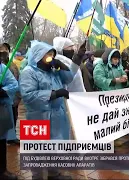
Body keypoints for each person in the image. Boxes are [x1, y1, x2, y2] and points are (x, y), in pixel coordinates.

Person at [19, 41, 78, 179]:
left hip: (56, 116)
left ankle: (54, 174)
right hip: (37, 117)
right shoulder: (29, 72)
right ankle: (37, 177)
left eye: (52, 54)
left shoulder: (52, 70)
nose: (51, 57)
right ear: (39, 55)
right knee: (37, 152)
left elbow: (69, 79)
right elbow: (28, 95)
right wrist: (54, 94)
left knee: (55, 148)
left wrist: (62, 67)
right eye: (48, 54)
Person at [0, 44, 19, 180]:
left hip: (1, 110)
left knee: (1, 143)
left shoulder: (2, 68)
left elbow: (14, 84)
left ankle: (2, 171)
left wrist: (2, 91)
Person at [0, 44, 20, 144]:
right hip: (6, 101)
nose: (4, 52)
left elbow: (16, 81)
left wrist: (4, 91)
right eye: (1, 50)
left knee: (12, 117)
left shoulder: (10, 65)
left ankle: (11, 137)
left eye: (6, 50)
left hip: (10, 99)